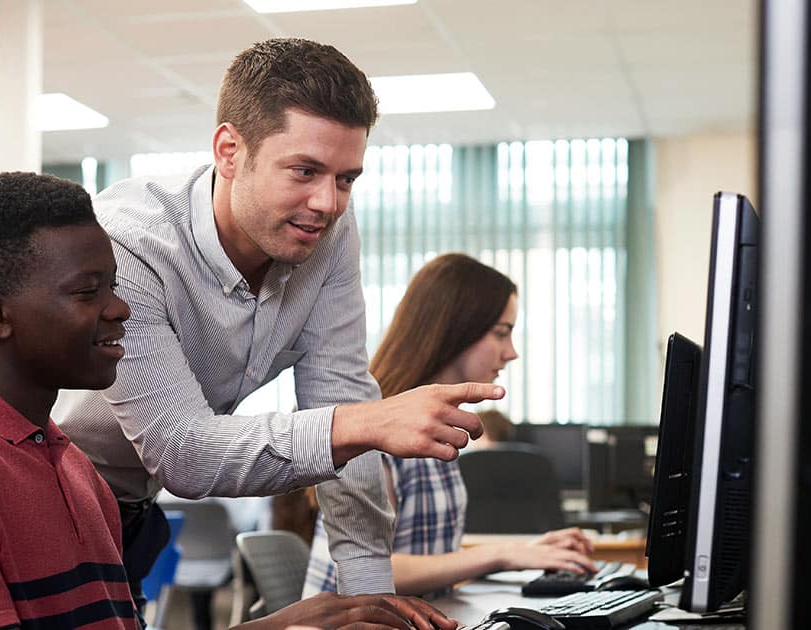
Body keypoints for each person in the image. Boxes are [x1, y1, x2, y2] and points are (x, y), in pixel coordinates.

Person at [0, 172, 457, 630]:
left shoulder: (71, 464)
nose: (121, 308)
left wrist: (285, 625)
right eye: (90, 292)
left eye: (114, 285)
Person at [51, 37, 500, 622]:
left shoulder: (326, 230)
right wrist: (364, 423)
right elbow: (185, 454)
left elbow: (342, 391)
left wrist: (376, 601)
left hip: (132, 514)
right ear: (230, 150)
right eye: (305, 171)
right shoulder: (130, 244)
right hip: (51, 506)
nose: (328, 202)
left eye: (346, 179)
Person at [304, 253, 597, 598]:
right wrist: (501, 555)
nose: (512, 352)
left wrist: (530, 550)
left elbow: (430, 560)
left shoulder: (437, 429)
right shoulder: (379, 430)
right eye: (501, 334)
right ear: (456, 331)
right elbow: (365, 570)